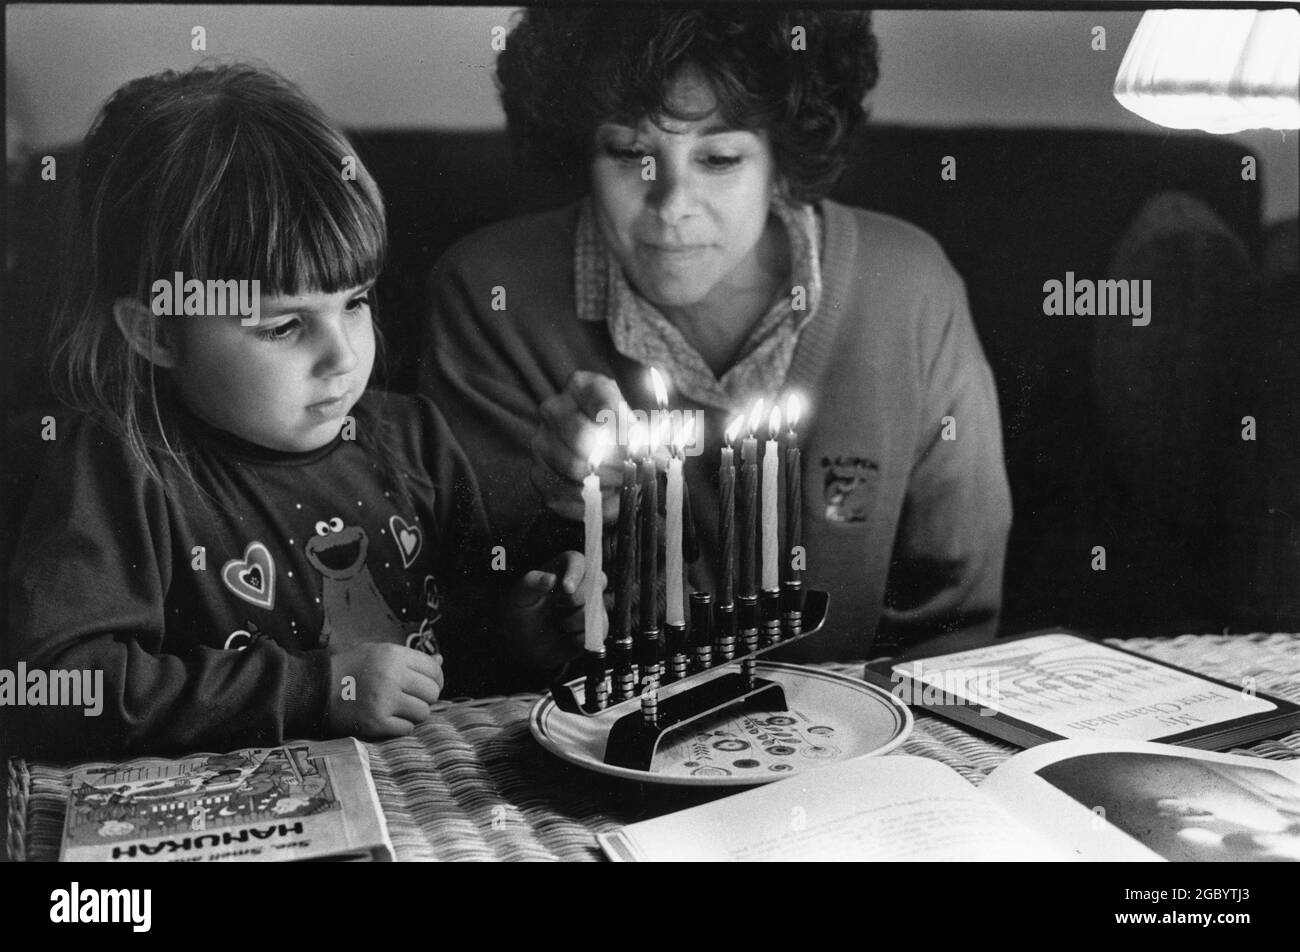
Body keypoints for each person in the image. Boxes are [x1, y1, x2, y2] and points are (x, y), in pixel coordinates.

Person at [6, 64, 595, 759]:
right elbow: (52, 686)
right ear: (159, 332)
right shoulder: (120, 464)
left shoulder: (413, 440)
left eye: (354, 303)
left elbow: (465, 645)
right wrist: (318, 689)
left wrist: (530, 628)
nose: (343, 357)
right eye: (283, 327)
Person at [422, 8, 1011, 661]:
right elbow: (483, 624)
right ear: (582, 152)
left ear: (783, 162)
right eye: (629, 153)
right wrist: (564, 510)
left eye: (720, 157)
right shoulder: (490, 296)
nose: (672, 203)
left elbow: (954, 629)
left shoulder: (909, 290)